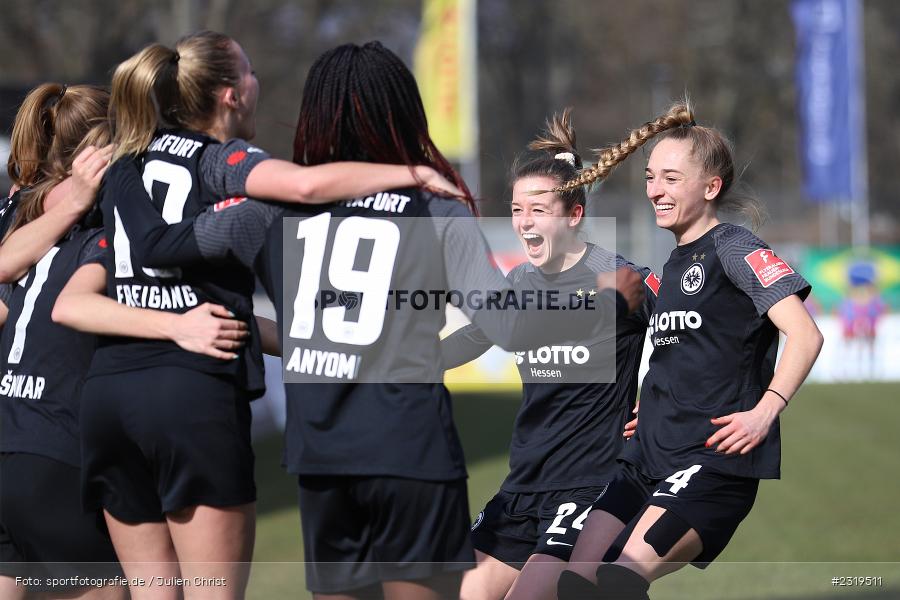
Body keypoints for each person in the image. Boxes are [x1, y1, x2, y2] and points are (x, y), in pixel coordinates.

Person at [99, 41, 647, 600]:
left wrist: (124, 171)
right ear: (404, 113)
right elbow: (504, 324)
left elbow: (160, 247)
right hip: (411, 451)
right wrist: (607, 303)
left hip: (321, 459)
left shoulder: (267, 210)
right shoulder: (435, 207)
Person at [52, 30, 464, 600]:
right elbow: (307, 183)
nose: (257, 83)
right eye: (248, 72)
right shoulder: (224, 165)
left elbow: (77, 296)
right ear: (228, 95)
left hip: (110, 397)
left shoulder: (126, 160)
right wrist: (409, 174)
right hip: (189, 397)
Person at [555, 102, 824, 599]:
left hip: (711, 463)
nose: (656, 190)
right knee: (575, 583)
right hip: (644, 457)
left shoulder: (736, 249)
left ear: (710, 187)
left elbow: (806, 335)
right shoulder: (671, 267)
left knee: (617, 581)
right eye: (651, 177)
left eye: (672, 179)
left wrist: (766, 412)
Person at [0, 83, 242, 600]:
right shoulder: (106, 229)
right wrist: (180, 325)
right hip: (59, 455)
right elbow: (82, 306)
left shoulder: (19, 218)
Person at [439, 109, 658, 600]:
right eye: (517, 209)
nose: (524, 222)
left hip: (590, 486)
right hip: (523, 484)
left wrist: (661, 401)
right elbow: (473, 338)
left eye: (538, 209)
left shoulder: (623, 279)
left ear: (574, 215)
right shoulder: (519, 283)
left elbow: (685, 335)